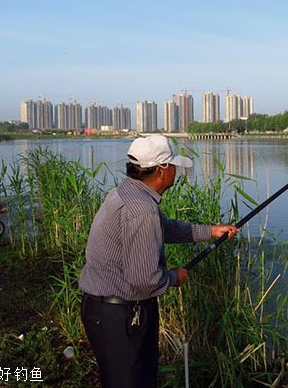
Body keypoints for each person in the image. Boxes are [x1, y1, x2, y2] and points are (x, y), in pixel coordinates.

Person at [79, 135, 237, 388]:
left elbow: (165, 228)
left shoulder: (126, 194)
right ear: (162, 171)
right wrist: (175, 278)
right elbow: (144, 282)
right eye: (173, 165)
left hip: (104, 311)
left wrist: (211, 230)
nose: (176, 171)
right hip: (121, 316)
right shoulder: (142, 210)